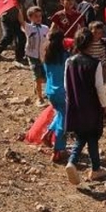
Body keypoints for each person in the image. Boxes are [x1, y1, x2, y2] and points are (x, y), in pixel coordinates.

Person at [64, 28, 106, 184]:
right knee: (91, 136)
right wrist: (105, 106)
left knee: (82, 136)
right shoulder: (95, 64)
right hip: (91, 106)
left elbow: (66, 86)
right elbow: (100, 88)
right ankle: (93, 168)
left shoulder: (69, 61)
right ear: (91, 44)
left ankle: (75, 163)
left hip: (75, 105)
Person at [42, 29, 69, 163]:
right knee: (63, 122)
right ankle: (58, 150)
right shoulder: (65, 56)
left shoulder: (47, 55)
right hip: (62, 92)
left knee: (60, 114)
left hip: (50, 91)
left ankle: (48, 134)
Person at [25, 7, 50, 106]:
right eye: (36, 16)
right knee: (38, 78)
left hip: (43, 56)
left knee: (46, 77)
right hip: (33, 56)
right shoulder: (28, 28)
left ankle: (43, 91)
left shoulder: (45, 28)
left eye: (40, 16)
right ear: (30, 17)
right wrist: (19, 9)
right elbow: (21, 21)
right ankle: (39, 98)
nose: (39, 18)